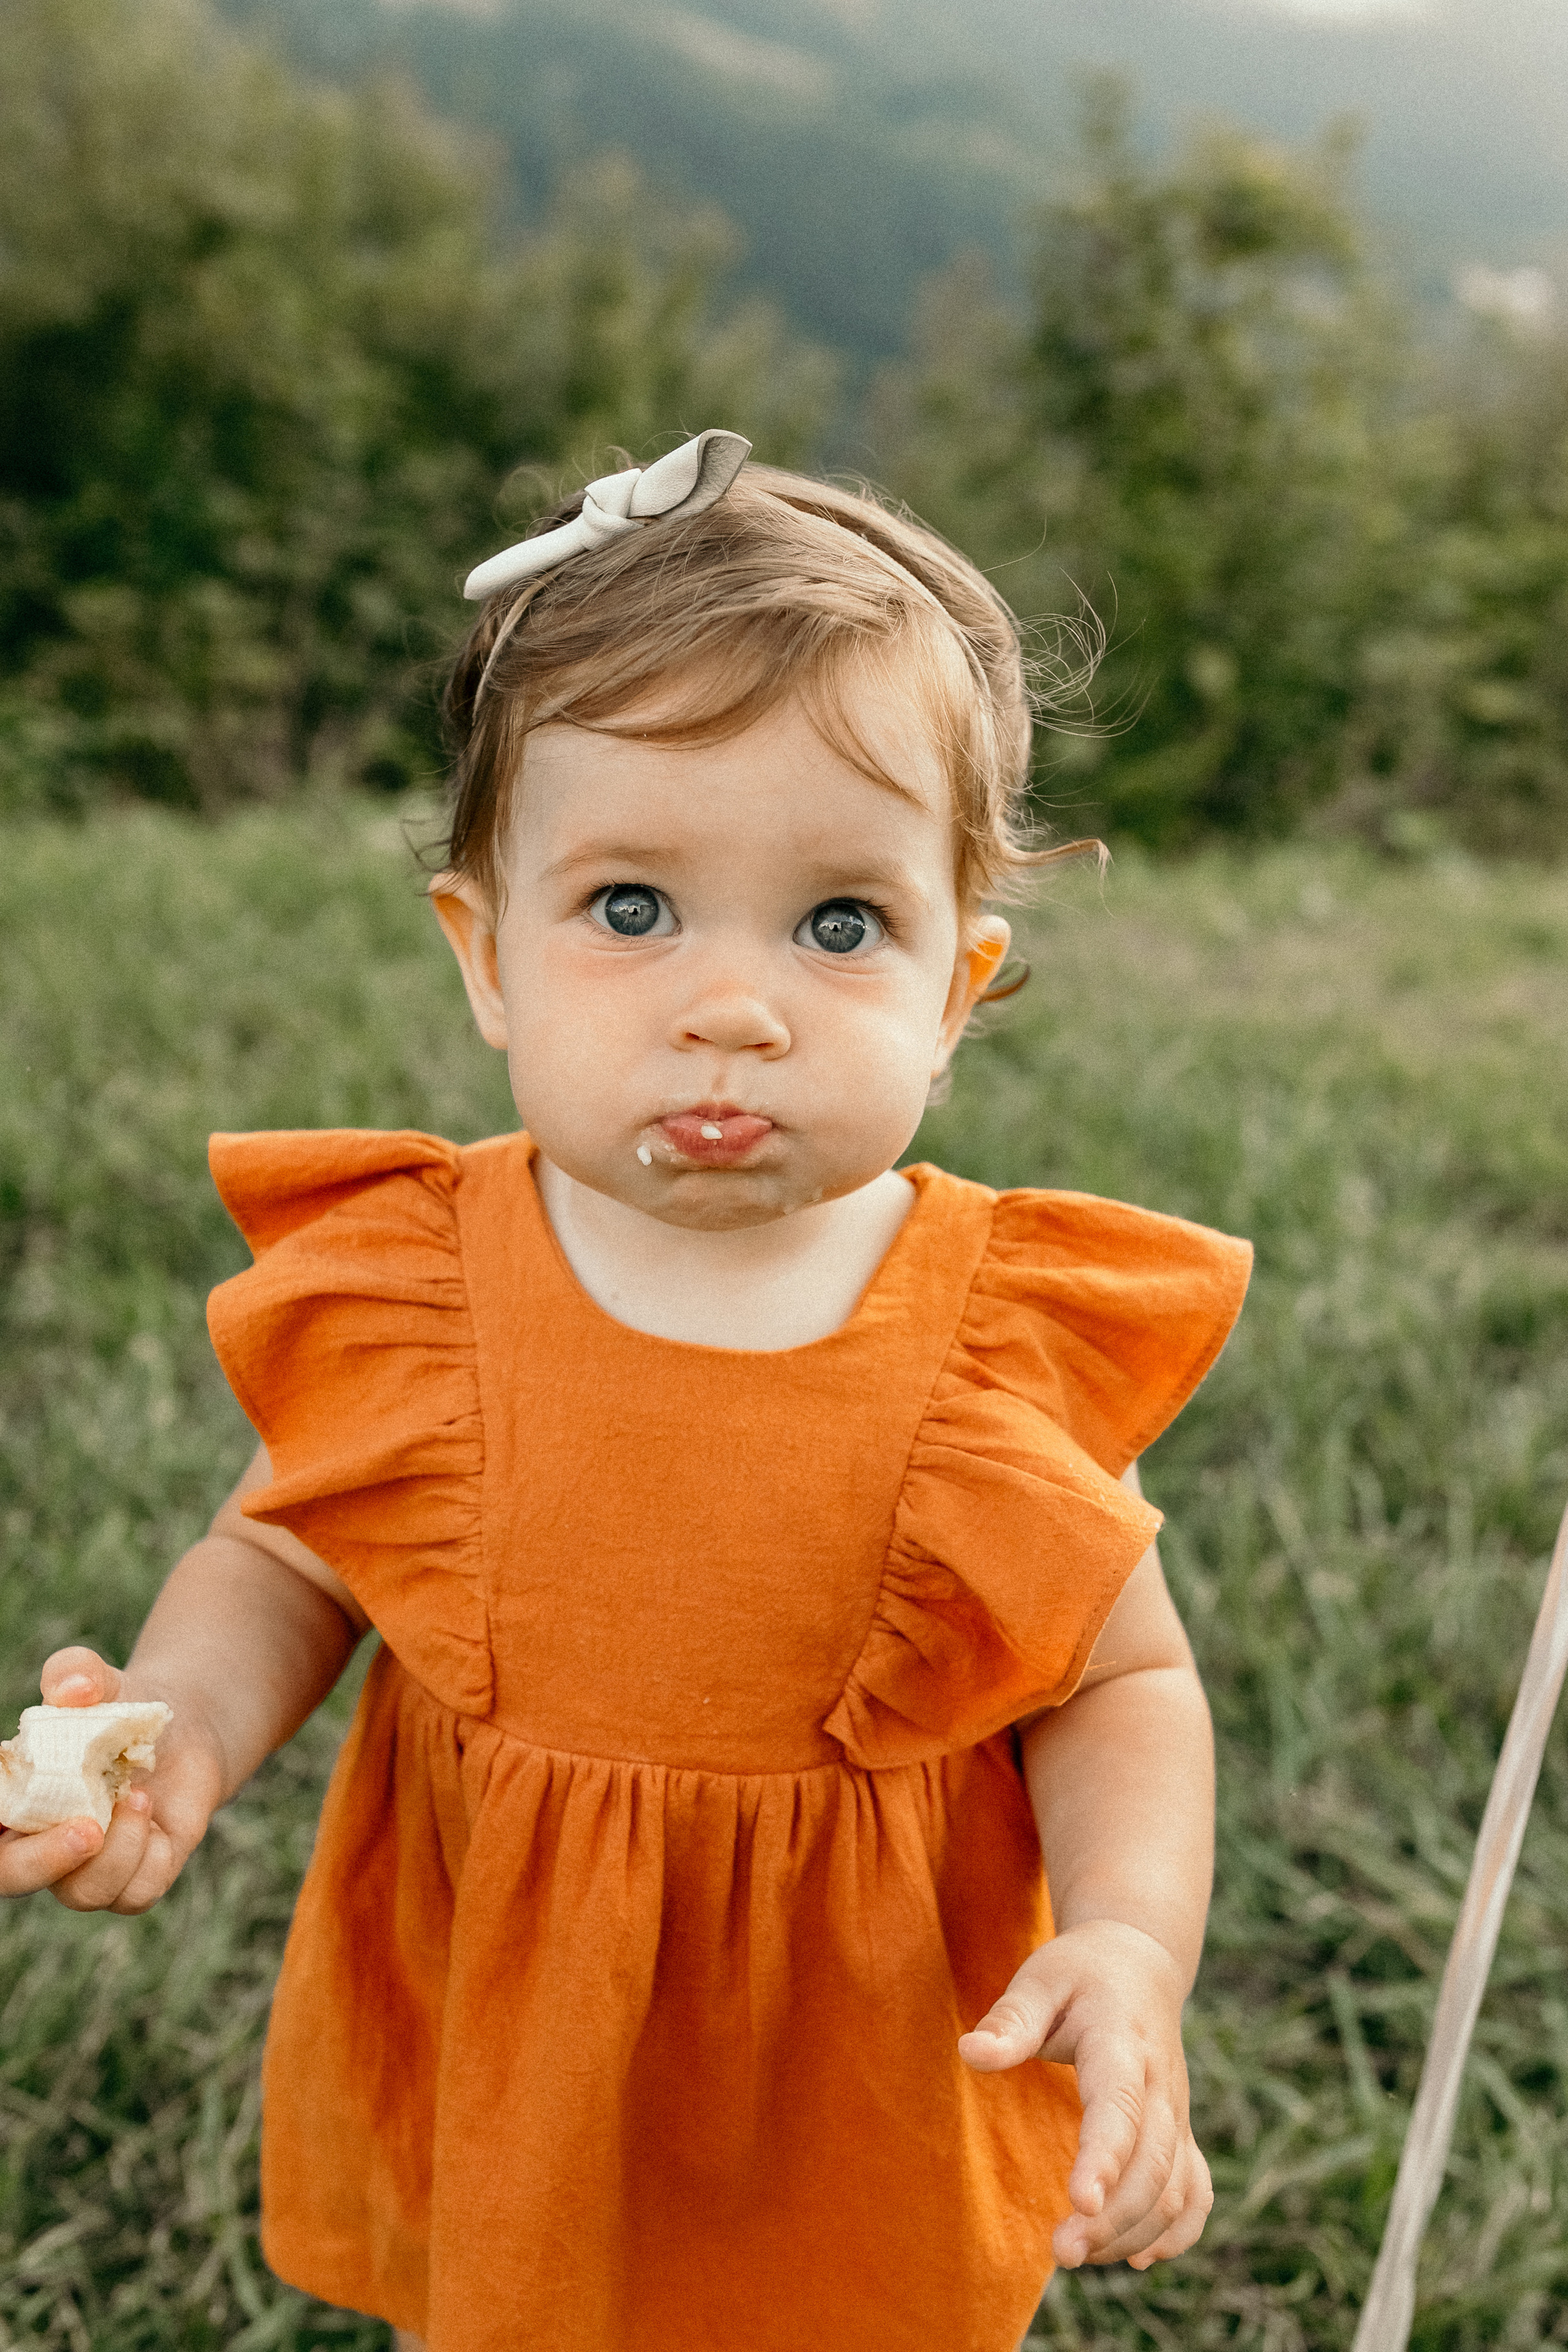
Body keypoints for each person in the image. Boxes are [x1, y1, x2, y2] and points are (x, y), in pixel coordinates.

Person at [0, 434, 1251, 2352]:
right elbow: (285, 1559)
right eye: (633, 909)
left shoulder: (994, 1335)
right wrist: (174, 1727)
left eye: (841, 923)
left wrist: (1131, 1940)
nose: (730, 1004)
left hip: (866, 2076)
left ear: (957, 986)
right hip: (515, 2036)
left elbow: (1125, 1680)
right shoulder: (425, 1287)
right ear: (488, 953)